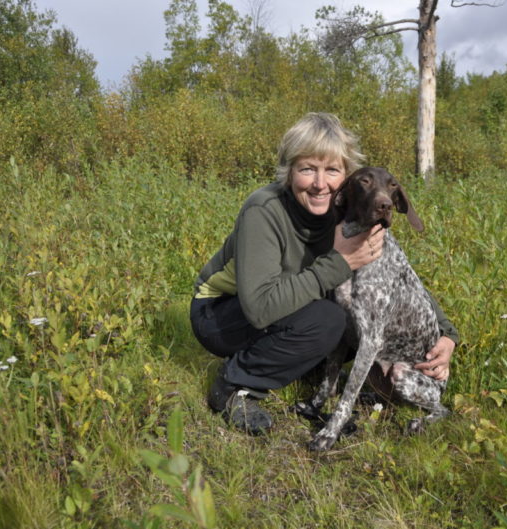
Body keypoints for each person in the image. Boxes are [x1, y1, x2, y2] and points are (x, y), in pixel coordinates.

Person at [190, 112, 458, 434]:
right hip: (222, 312)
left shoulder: (351, 214)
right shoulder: (265, 210)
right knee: (329, 320)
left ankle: (304, 370)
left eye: (331, 170)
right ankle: (235, 386)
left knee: (347, 320)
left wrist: (446, 334)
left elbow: (399, 278)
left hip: (283, 305)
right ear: (289, 172)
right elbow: (259, 309)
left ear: (345, 177)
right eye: (307, 169)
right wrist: (340, 262)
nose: (320, 184)